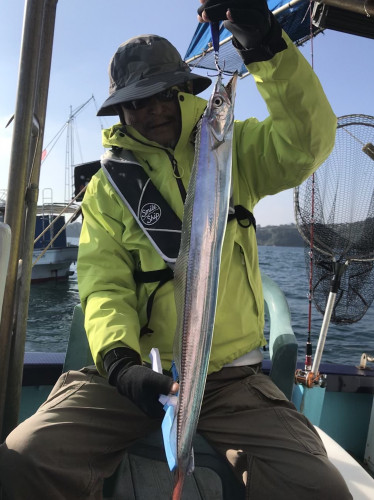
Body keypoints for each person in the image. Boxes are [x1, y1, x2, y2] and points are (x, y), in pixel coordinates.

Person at [0, 1, 352, 499]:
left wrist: (266, 43)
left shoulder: (233, 148)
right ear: (122, 109)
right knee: (26, 456)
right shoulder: (105, 189)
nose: (153, 108)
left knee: (319, 488)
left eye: (164, 93)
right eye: (138, 101)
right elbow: (104, 286)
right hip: (135, 377)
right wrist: (121, 365)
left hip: (231, 380)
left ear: (185, 91)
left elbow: (309, 139)